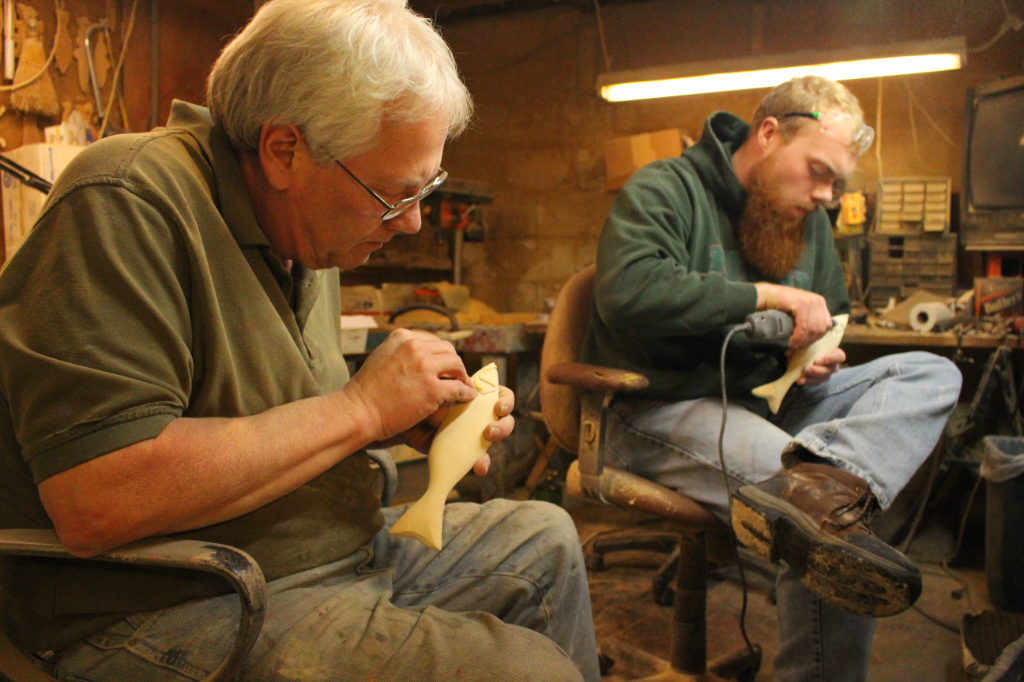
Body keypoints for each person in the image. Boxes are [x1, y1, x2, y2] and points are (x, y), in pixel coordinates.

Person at [0, 1, 599, 680]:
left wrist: (393, 424)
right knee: (524, 671)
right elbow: (96, 499)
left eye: (423, 188)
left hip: (322, 555)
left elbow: (268, 420)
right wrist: (359, 411)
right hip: (171, 600)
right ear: (285, 150)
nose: (410, 224)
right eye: (392, 195)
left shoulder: (307, 235)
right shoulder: (126, 197)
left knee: (545, 539)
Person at [582, 75, 962, 682]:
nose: (826, 196)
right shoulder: (668, 188)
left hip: (770, 404)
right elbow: (626, 293)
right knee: (827, 518)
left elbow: (830, 315)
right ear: (767, 135)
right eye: (817, 171)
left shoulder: (809, 225)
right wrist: (763, 295)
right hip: (658, 408)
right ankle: (816, 495)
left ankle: (822, 480)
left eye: (836, 182)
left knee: (933, 374)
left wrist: (809, 357)